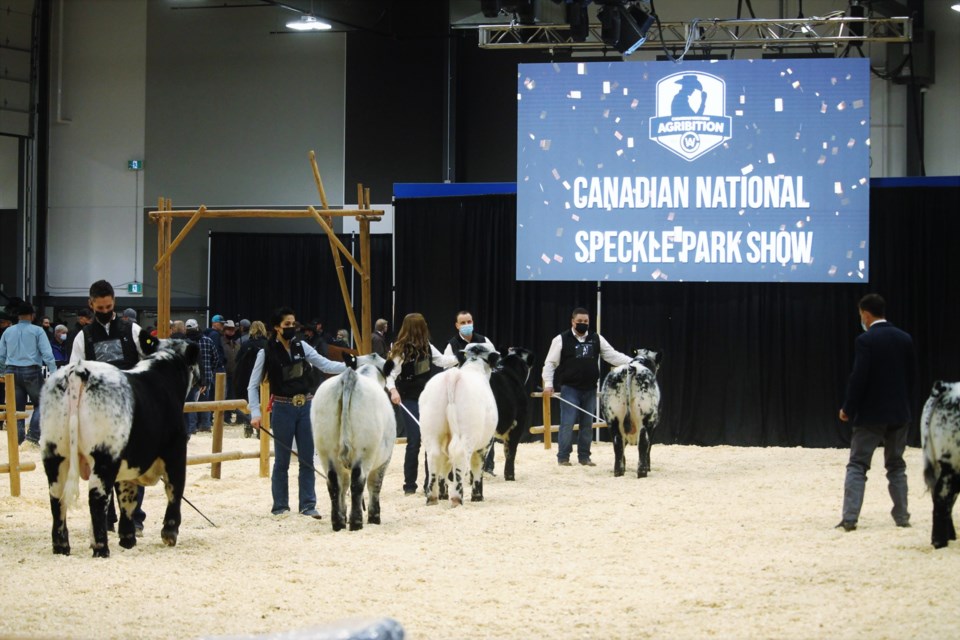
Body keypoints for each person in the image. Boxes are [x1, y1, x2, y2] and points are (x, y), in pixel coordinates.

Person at [248, 307, 347, 517]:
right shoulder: (265, 352)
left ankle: (308, 505)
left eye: (293, 324)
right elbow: (252, 385)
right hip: (282, 408)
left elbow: (325, 364)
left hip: (307, 407)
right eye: (287, 325)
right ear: (276, 327)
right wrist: (255, 412)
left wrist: (350, 366)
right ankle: (281, 506)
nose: (291, 328)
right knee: (282, 460)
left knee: (306, 458)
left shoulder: (303, 346)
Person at [68, 280, 147, 532]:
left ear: (114, 302)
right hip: (98, 412)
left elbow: (149, 361)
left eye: (108, 306)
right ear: (91, 305)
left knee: (133, 465)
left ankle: (133, 517)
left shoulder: (133, 330)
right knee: (102, 465)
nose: (104, 311)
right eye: (99, 307)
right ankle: (107, 518)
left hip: (130, 407)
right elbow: (74, 373)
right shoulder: (83, 337)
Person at [837, 293, 916, 532]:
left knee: (857, 465)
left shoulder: (866, 340)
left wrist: (848, 408)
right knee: (897, 466)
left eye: (861, 315)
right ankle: (902, 517)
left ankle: (850, 518)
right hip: (899, 414)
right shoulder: (905, 339)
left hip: (871, 415)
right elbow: (912, 377)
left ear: (866, 314)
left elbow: (858, 378)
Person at [542, 307, 632, 467]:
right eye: (580, 321)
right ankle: (563, 457)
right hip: (570, 388)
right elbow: (550, 364)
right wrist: (548, 384)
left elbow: (612, 355)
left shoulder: (596, 338)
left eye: (586, 322)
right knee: (567, 423)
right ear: (572, 321)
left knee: (587, 424)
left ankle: (584, 457)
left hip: (590, 389)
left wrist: (632, 361)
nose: (583, 324)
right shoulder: (561, 339)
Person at [385, 313, 457, 495]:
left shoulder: (428, 347)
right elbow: (391, 375)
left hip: (428, 400)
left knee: (430, 442)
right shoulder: (400, 349)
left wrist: (462, 357)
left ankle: (429, 484)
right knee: (414, 441)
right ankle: (409, 485)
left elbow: (442, 361)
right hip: (408, 400)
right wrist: (393, 391)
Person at [442, 310, 497, 474]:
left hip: (482, 389)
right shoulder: (452, 344)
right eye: (463, 323)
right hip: (462, 394)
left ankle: (488, 465)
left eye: (469, 321)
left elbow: (492, 363)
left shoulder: (484, 341)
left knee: (487, 425)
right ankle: (457, 465)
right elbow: (446, 367)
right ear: (457, 325)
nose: (467, 325)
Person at [0, 302, 58, 445]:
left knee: (16, 408)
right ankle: (32, 436)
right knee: (42, 402)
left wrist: (1, 372)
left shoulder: (8, 331)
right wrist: (54, 373)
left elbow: (1, 355)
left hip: (11, 371)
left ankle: (18, 441)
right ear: (32, 316)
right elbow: (47, 354)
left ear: (18, 316)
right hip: (31, 371)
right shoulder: (37, 331)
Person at [183, 318, 221, 435]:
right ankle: (205, 424)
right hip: (207, 376)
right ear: (197, 327)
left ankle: (192, 427)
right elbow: (216, 358)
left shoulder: (185, 343)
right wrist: (210, 370)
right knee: (205, 401)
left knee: (191, 402)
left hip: (191, 377)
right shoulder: (207, 340)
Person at [220, 319, 242, 423]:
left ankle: (229, 415)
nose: (231, 332)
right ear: (224, 331)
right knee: (224, 395)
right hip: (224, 374)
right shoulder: (221, 343)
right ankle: (224, 416)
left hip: (235, 374)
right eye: (228, 330)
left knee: (233, 395)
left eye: (232, 330)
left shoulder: (237, 344)